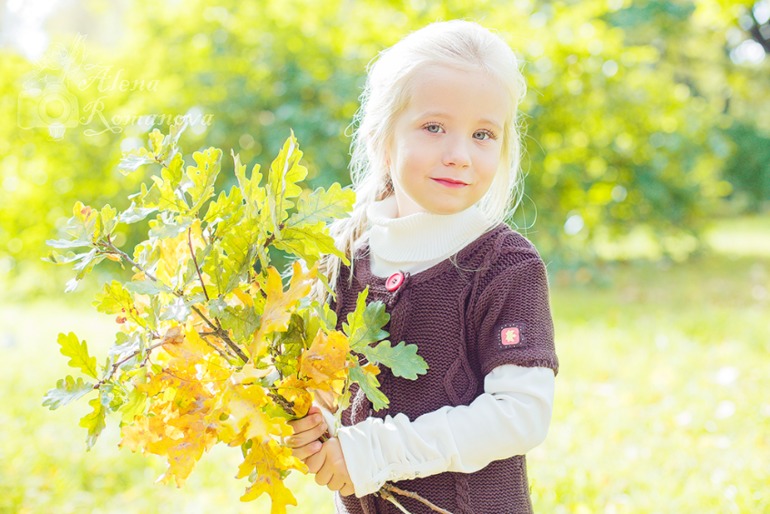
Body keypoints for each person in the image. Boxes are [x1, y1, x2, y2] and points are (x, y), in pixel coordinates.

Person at [287, 19, 559, 514]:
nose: (459, 155)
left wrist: (376, 452)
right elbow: (334, 397)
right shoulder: (345, 255)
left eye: (482, 134)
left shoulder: (505, 266)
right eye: (434, 127)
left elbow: (521, 415)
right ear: (383, 137)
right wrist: (319, 429)